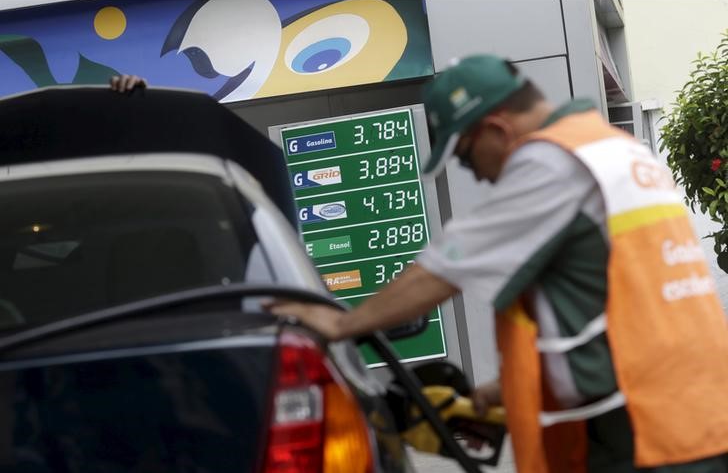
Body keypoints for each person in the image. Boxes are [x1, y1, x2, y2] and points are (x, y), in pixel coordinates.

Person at [267, 54, 728, 472]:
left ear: (496, 129)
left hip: (646, 435)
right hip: (694, 410)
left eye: (466, 158)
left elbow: (443, 268)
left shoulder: (551, 165)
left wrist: (338, 324)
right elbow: (612, 305)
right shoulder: (613, 149)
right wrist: (503, 389)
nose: (478, 175)